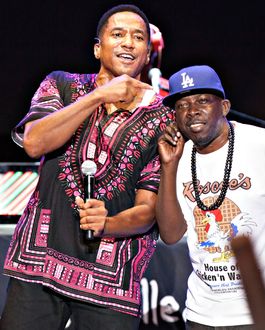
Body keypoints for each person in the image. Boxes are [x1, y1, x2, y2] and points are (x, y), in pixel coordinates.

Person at [0, 4, 175, 330]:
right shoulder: (61, 85)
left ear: (147, 55)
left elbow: (148, 212)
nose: (128, 43)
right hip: (38, 268)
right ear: (98, 47)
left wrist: (107, 223)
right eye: (118, 34)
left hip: (111, 284)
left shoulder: (162, 118)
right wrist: (98, 95)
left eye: (138, 38)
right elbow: (34, 142)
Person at [156, 65, 265, 329]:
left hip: (263, 312)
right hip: (200, 315)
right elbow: (170, 235)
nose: (192, 111)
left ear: (224, 107)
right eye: (182, 105)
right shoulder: (179, 157)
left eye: (203, 100)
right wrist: (168, 166)